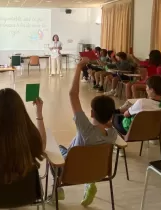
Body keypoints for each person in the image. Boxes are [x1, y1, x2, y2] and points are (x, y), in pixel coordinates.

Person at [50, 59, 117, 207]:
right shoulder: (113, 134)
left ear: (92, 113)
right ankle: (90, 182)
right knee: (88, 156)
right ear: (111, 115)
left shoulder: (85, 129)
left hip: (71, 172)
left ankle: (58, 189)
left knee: (56, 149)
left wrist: (79, 67)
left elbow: (73, 95)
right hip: (98, 172)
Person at [0, 88, 46, 188]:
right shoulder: (30, 138)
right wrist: (39, 113)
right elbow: (42, 145)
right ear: (21, 111)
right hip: (26, 195)